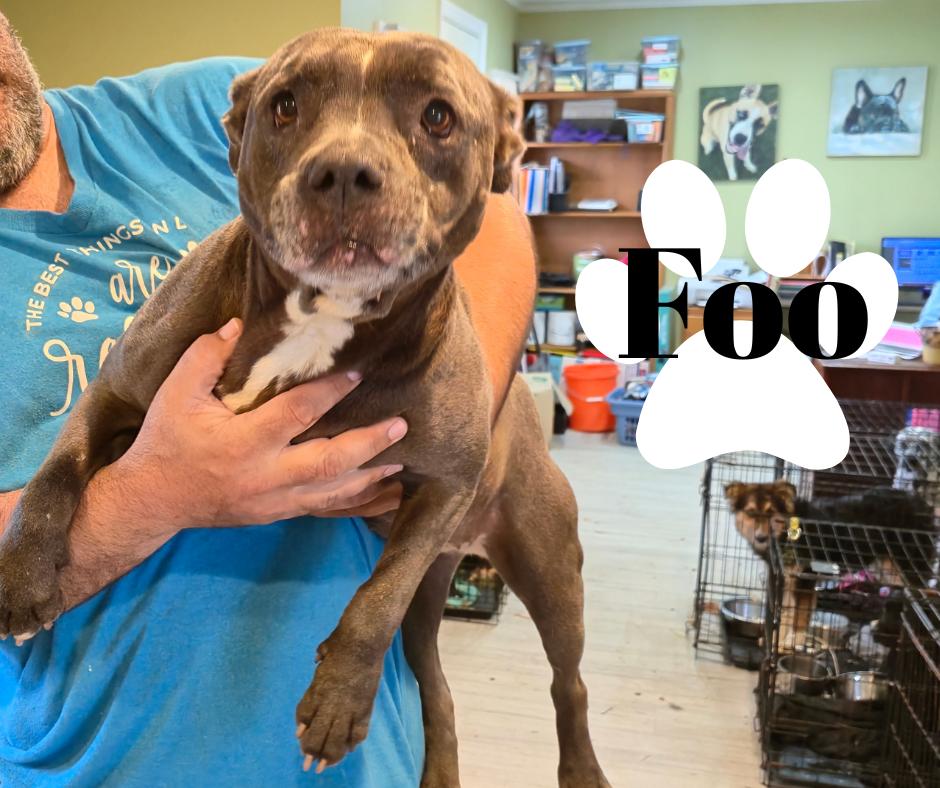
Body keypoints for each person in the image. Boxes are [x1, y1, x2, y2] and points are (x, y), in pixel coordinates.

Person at [0, 15, 535, 786]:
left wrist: (446, 407)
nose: (345, 163)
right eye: (289, 114)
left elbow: (494, 211)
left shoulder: (200, 103)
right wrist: (160, 494)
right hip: (83, 765)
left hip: (354, 746)